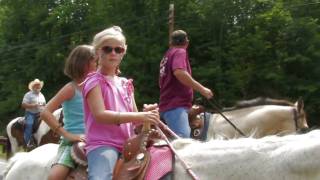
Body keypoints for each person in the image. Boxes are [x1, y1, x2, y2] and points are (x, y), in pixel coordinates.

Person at [83, 26, 160, 180]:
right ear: (97, 51)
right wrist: (140, 115)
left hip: (130, 143)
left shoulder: (125, 83)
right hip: (103, 144)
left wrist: (148, 116)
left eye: (118, 49)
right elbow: (100, 115)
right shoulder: (93, 81)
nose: (113, 53)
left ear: (124, 51)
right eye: (107, 49)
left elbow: (135, 120)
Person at [40, 45, 97, 180]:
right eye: (95, 61)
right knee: (55, 176)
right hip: (73, 143)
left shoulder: (98, 87)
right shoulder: (71, 88)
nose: (98, 64)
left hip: (96, 139)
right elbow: (45, 112)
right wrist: (67, 134)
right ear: (83, 64)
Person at [159, 30, 214, 138]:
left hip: (169, 105)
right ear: (186, 42)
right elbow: (179, 72)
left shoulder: (166, 57)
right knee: (183, 142)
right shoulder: (180, 52)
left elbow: (161, 82)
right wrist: (202, 89)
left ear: (171, 43)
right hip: (176, 106)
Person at [22, 78, 46, 147]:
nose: (38, 87)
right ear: (33, 87)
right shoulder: (28, 94)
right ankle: (28, 143)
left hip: (40, 113)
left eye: (39, 85)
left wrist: (44, 106)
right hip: (30, 113)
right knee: (29, 125)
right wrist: (33, 105)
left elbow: (44, 105)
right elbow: (23, 104)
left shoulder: (42, 95)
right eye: (36, 85)